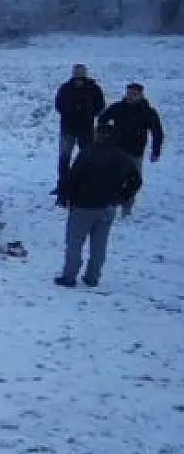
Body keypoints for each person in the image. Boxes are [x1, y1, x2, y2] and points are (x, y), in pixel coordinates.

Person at [55, 116, 143, 289]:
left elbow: (73, 177)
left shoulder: (88, 153)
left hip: (84, 205)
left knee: (75, 242)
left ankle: (69, 276)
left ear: (99, 135)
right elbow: (136, 181)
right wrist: (122, 196)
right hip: (109, 206)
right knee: (99, 244)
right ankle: (92, 276)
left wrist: (65, 196)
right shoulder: (123, 157)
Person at [99, 83, 165, 214]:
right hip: (116, 151)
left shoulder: (148, 112)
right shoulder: (118, 107)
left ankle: (126, 207)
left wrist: (155, 151)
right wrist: (107, 136)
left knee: (133, 181)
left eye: (134, 94)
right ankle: (111, 204)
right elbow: (102, 120)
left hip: (136, 152)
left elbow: (157, 132)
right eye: (129, 93)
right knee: (113, 178)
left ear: (141, 95)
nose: (131, 96)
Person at [53, 64, 106, 194]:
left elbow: (100, 106)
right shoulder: (65, 88)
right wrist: (68, 114)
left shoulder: (94, 88)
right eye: (76, 72)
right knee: (64, 158)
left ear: (85, 74)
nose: (78, 75)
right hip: (67, 128)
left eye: (80, 72)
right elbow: (58, 105)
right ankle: (63, 185)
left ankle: (87, 184)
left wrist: (87, 115)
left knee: (88, 157)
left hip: (86, 129)